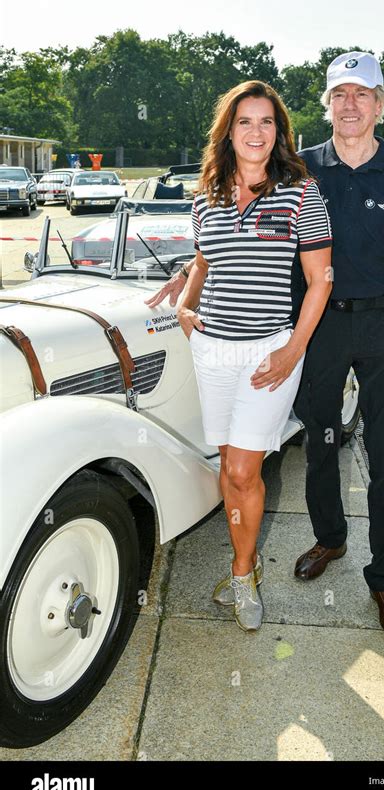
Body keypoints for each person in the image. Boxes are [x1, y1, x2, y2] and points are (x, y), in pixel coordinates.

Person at [148, 52, 384, 638]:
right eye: (340, 95)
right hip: (320, 326)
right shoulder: (298, 169)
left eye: (363, 94)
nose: (351, 105)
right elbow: (228, 235)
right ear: (327, 104)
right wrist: (187, 284)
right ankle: (329, 538)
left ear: (380, 104)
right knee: (321, 440)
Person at [145, 80, 333, 633]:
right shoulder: (206, 194)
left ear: (280, 133)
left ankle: (243, 572)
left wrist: (291, 351)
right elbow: (204, 259)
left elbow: (320, 281)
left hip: (267, 354)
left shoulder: (301, 191)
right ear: (229, 130)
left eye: (267, 122)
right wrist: (183, 307)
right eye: (245, 121)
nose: (256, 131)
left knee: (246, 470)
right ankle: (240, 568)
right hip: (212, 350)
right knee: (228, 467)